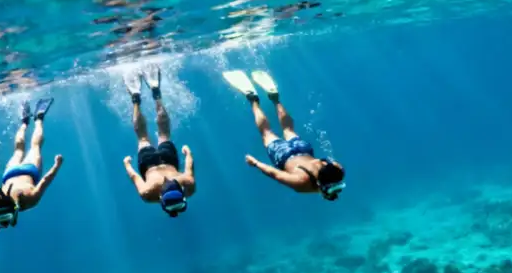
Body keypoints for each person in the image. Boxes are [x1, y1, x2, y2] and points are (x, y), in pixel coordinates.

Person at [223, 70, 346, 200]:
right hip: (283, 156)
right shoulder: (302, 183)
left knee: (288, 129)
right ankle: (253, 99)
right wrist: (255, 163)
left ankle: (276, 100)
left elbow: (332, 164)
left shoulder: (338, 170)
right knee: (266, 132)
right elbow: (274, 173)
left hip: (303, 150)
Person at [121, 66, 196, 216]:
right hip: (148, 165)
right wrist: (127, 164)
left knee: (163, 134)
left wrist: (188, 153)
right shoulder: (147, 194)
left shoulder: (188, 184)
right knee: (143, 138)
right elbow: (134, 176)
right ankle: (136, 99)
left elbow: (189, 165)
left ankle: (156, 96)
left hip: (168, 160)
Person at [0, 98, 64, 232]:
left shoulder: (29, 200)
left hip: (28, 171)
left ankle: (38, 119)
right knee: (19, 148)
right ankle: (25, 123)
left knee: (35, 146)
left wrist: (57, 165)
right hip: (11, 171)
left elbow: (45, 180)